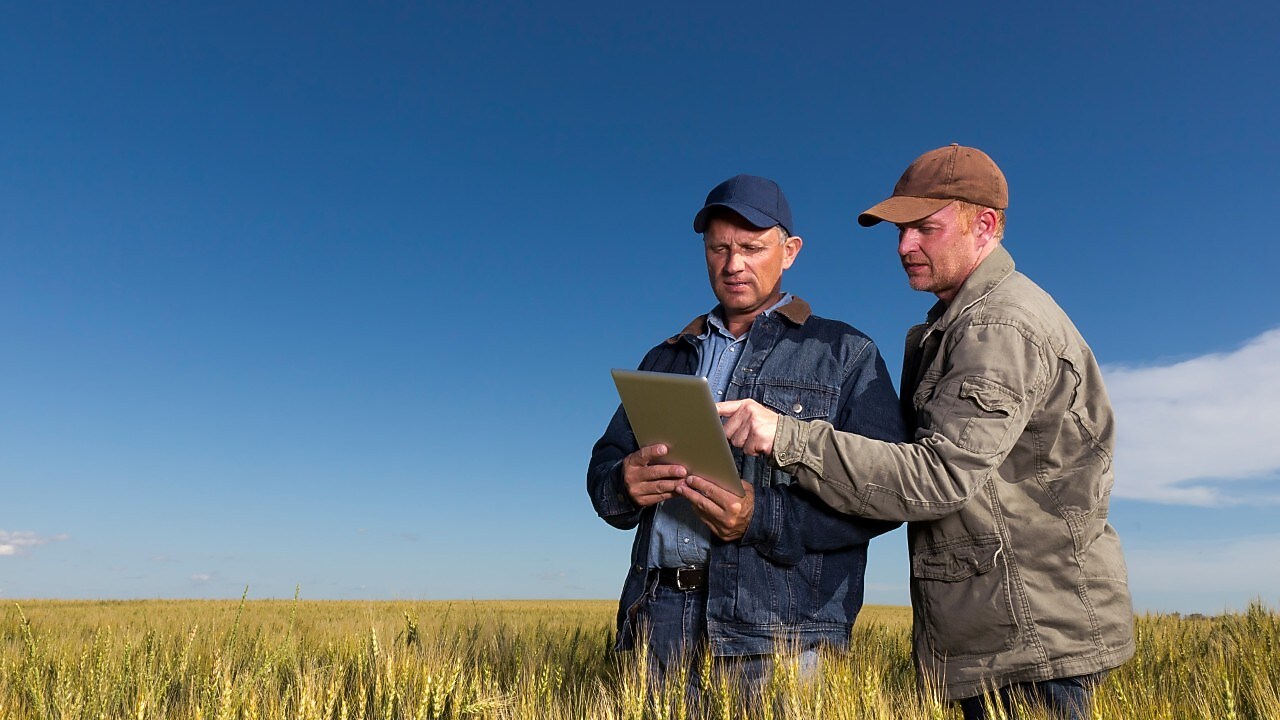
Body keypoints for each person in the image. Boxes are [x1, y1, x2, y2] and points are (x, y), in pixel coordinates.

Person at [715, 146, 1135, 719]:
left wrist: (785, 436)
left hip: (1033, 645)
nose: (904, 246)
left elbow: (939, 478)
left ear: (983, 226)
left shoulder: (999, 325)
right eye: (899, 230)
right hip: (1009, 635)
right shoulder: (960, 323)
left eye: (924, 229)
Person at [587, 174, 906, 705]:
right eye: (719, 249)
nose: (733, 264)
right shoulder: (666, 357)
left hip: (779, 634)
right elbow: (605, 465)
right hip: (657, 619)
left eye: (752, 248)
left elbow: (886, 497)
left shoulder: (846, 353)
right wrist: (623, 484)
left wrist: (762, 516)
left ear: (790, 251)